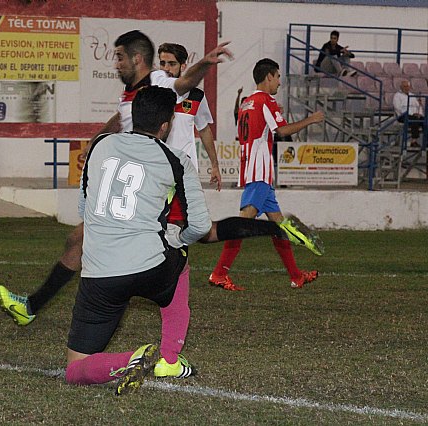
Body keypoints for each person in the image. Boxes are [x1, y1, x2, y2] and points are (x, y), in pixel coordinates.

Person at [0, 30, 234, 380]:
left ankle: (36, 306)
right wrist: (98, 137)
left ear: (137, 59)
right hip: (131, 179)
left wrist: (203, 64)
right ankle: (34, 306)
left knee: (88, 240)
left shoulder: (156, 82)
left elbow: (183, 84)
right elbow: (121, 119)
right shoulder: (131, 95)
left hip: (145, 182)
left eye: (119, 57)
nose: (116, 63)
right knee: (79, 240)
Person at [65, 86, 323, 394]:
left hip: (100, 274)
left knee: (75, 369)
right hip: (152, 267)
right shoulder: (176, 159)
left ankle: (129, 358)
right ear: (166, 125)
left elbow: (84, 210)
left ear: (132, 117)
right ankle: (169, 358)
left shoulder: (99, 146)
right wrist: (179, 237)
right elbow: (202, 227)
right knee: (179, 259)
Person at [209, 58, 325, 292]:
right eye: (278, 77)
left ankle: (296, 276)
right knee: (242, 225)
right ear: (269, 77)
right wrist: (310, 120)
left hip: (253, 169)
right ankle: (219, 274)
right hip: (259, 171)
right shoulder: (265, 101)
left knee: (278, 226)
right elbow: (281, 131)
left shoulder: (247, 103)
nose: (279, 82)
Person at [157, 42, 222, 190]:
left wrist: (215, 165)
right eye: (162, 63)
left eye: (172, 64)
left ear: (183, 66)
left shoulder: (196, 96)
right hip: (157, 166)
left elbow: (204, 130)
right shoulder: (152, 93)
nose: (166, 69)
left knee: (185, 212)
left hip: (185, 168)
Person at [393, 80, 424, 148]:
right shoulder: (397, 96)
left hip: (415, 115)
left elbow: (419, 106)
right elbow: (397, 108)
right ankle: (414, 141)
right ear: (401, 87)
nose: (406, 88)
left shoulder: (412, 96)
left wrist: (420, 114)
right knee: (414, 119)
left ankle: (426, 142)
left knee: (425, 120)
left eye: (407, 86)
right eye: (404, 86)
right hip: (403, 116)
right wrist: (411, 114)